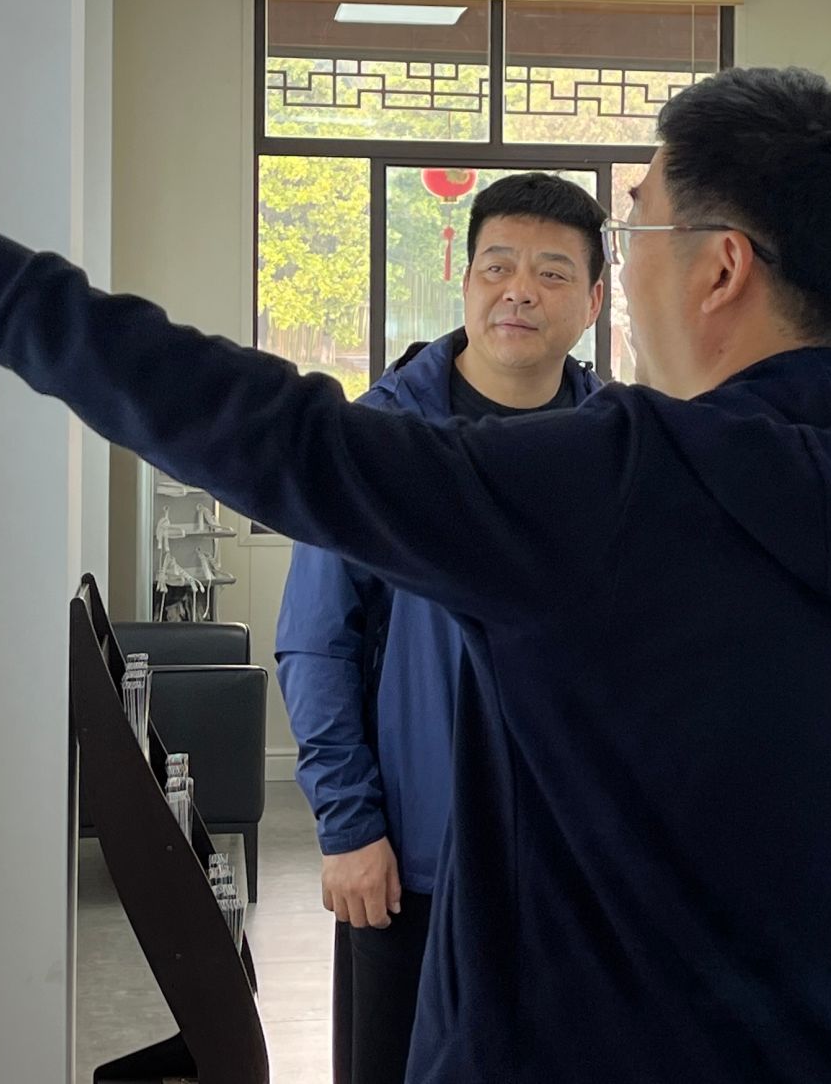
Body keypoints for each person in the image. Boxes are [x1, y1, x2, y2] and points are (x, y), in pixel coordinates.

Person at [0, 61, 831, 1084]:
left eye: (638, 229)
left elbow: (285, 440)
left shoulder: (611, 485)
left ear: (722, 266)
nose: (617, 269)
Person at [276, 173, 606, 1084]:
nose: (519, 291)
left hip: (578, 869)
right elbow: (316, 641)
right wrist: (349, 826)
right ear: (465, 284)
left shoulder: (620, 449)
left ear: (592, 302)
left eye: (551, 273)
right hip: (413, 861)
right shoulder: (380, 438)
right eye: (498, 266)